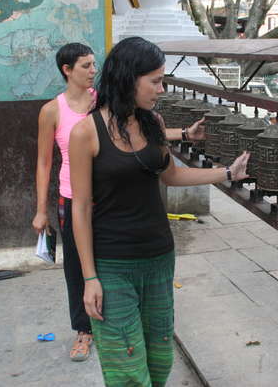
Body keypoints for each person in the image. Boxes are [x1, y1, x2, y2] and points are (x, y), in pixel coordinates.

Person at [69, 36, 249, 386]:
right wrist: (89, 278)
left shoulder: (152, 123)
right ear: (127, 78)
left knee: (159, 356)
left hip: (158, 257)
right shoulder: (85, 133)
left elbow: (172, 174)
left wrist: (227, 173)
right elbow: (79, 209)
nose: (161, 88)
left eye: (161, 79)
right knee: (126, 366)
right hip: (112, 263)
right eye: (154, 80)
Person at [32, 43, 205, 363]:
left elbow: (138, 130)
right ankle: (84, 331)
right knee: (78, 267)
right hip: (73, 197)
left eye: (94, 65)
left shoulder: (105, 102)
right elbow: (44, 162)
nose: (92, 71)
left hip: (109, 198)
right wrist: (41, 210)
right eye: (84, 66)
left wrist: (182, 133)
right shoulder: (52, 111)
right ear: (66, 70)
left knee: (109, 266)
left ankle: (122, 321)